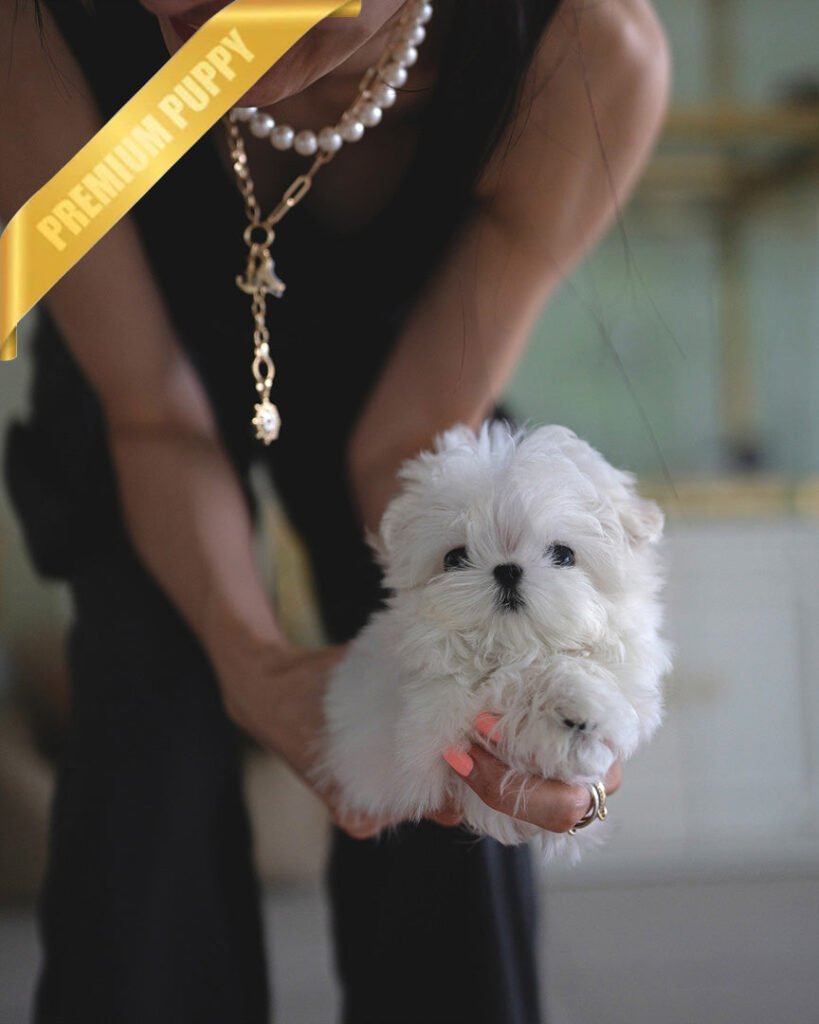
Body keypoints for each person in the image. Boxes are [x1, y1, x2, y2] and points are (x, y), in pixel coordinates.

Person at [1, 0, 670, 1021]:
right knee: (145, 727)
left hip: (413, 393)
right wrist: (253, 665)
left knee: (461, 729)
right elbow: (151, 415)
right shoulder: (32, 30)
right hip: (138, 389)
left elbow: (409, 441)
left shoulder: (586, 55)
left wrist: (511, 661)